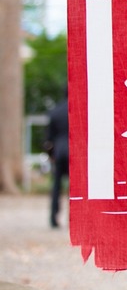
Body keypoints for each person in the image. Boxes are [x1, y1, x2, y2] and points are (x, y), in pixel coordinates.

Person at [45, 91, 69, 230]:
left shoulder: (55, 112)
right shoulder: (79, 110)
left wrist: (50, 154)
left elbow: (48, 138)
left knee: (56, 186)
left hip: (58, 152)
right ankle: (74, 217)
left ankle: (53, 217)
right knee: (75, 189)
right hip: (74, 153)